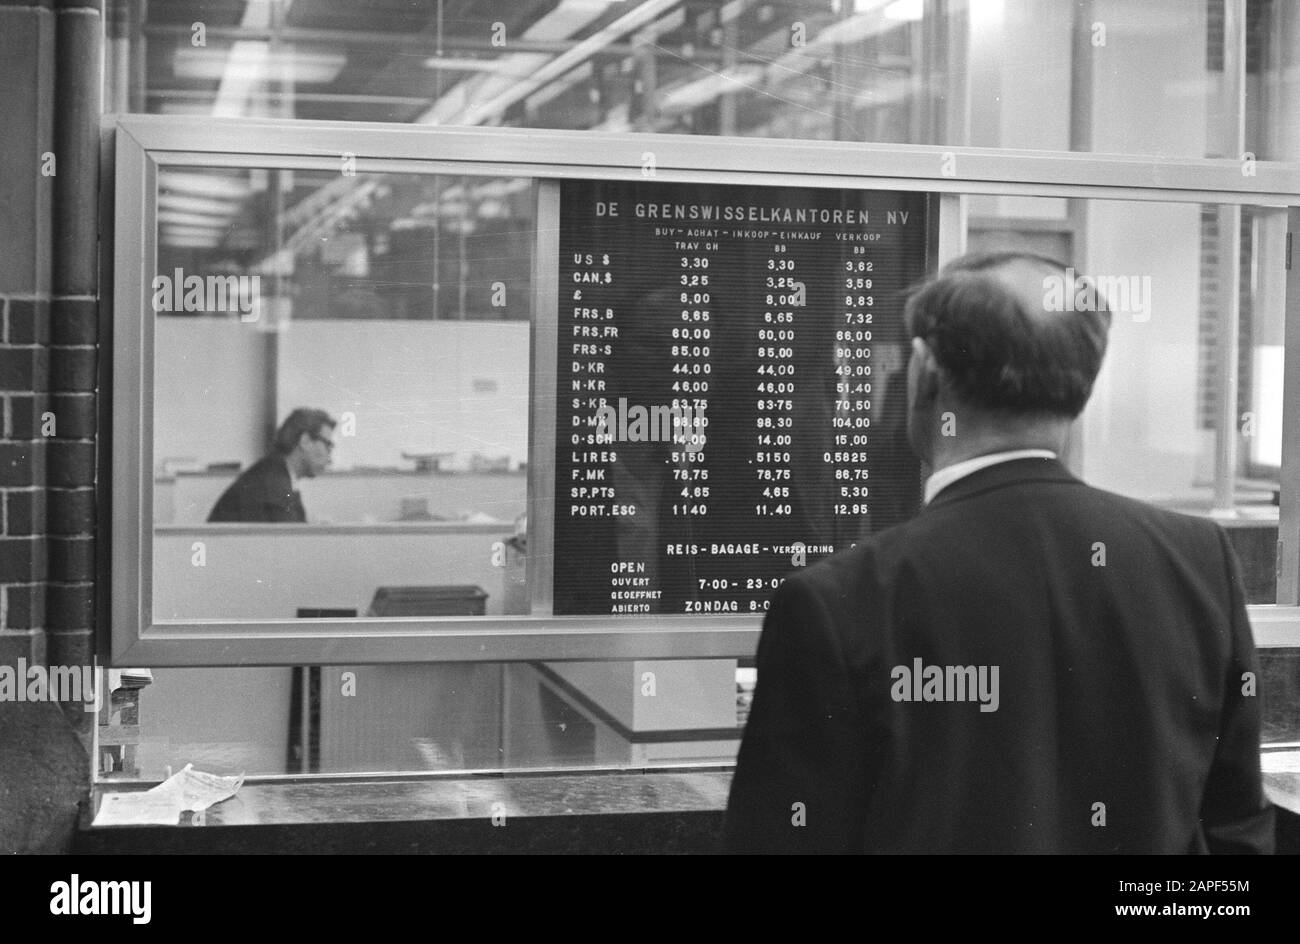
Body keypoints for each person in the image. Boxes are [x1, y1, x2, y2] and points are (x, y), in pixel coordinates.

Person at [725, 251, 1274, 854]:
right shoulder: (1198, 561)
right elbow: (1236, 830)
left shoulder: (837, 602)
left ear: (926, 372)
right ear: (1082, 382)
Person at [207, 408, 336, 523]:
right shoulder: (273, 485)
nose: (330, 459)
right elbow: (291, 544)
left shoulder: (276, 472)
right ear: (305, 441)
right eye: (328, 446)